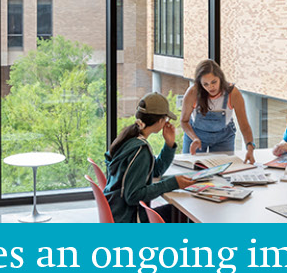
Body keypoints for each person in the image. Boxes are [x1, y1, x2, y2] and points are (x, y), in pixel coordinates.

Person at [105, 93, 196, 223]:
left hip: (120, 213)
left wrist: (169, 144)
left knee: (177, 211)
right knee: (187, 215)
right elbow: (133, 196)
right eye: (165, 119)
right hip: (130, 218)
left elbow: (155, 171)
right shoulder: (140, 150)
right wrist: (173, 183)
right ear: (160, 121)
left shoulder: (130, 139)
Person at [179, 59, 257, 163]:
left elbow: (244, 125)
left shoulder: (232, 93)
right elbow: (184, 121)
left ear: (220, 78)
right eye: (205, 84)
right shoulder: (193, 92)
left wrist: (250, 147)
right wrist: (194, 138)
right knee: (192, 169)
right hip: (196, 135)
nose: (210, 87)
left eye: (214, 82)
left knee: (223, 170)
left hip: (223, 137)